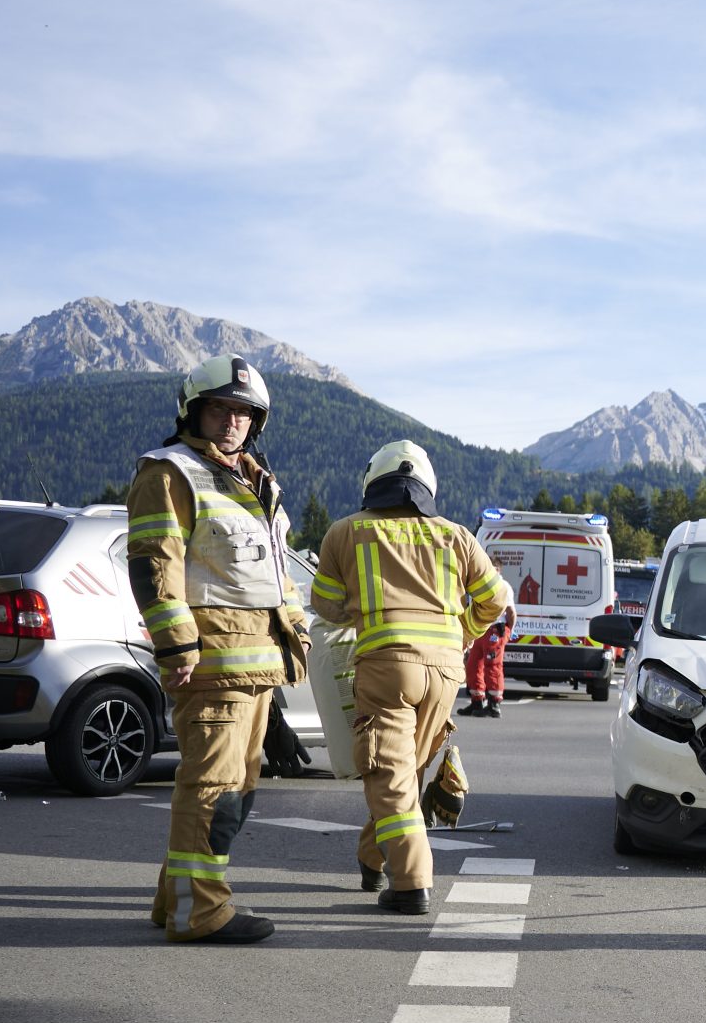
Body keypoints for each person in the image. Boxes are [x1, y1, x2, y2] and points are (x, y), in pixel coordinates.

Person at [126, 356, 310, 944]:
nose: (232, 421)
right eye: (220, 408)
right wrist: (176, 646)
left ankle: (172, 901)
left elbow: (275, 573)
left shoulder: (256, 481)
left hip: (257, 663)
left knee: (235, 790)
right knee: (212, 789)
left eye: (243, 412)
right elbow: (156, 562)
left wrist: (296, 634)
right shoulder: (169, 472)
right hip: (212, 665)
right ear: (193, 411)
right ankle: (199, 913)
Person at [308, 440, 511, 914]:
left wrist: (364, 609)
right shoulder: (456, 535)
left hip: (387, 667)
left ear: (372, 483)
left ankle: (412, 884)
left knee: (390, 776)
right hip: (445, 672)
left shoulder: (346, 532)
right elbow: (495, 600)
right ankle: (370, 857)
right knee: (404, 773)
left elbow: (325, 604)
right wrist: (463, 631)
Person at [462, 602, 513, 717]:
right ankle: (477, 702)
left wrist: (509, 631)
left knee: (493, 666)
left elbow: (511, 612)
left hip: (494, 630)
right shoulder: (475, 586)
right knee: (473, 665)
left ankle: (494, 705)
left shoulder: (502, 587)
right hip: (479, 629)